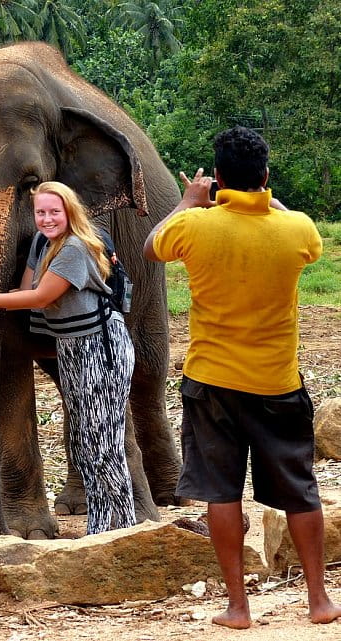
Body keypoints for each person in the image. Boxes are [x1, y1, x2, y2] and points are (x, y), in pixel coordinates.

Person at [143, 126, 341, 628]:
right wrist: (261, 200)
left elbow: (150, 247)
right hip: (278, 383)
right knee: (300, 490)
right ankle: (319, 601)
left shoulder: (195, 227)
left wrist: (190, 200)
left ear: (220, 181)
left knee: (221, 493)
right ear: (267, 176)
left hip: (212, 384)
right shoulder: (299, 229)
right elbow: (288, 223)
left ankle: (238, 607)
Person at [0, 181, 136, 534]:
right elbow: (25, 290)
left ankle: (124, 526)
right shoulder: (44, 243)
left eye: (55, 212)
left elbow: (39, 297)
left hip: (101, 346)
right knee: (85, 442)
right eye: (41, 212)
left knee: (104, 442)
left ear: (70, 212)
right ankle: (100, 527)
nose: (47, 219)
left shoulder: (75, 248)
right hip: (71, 347)